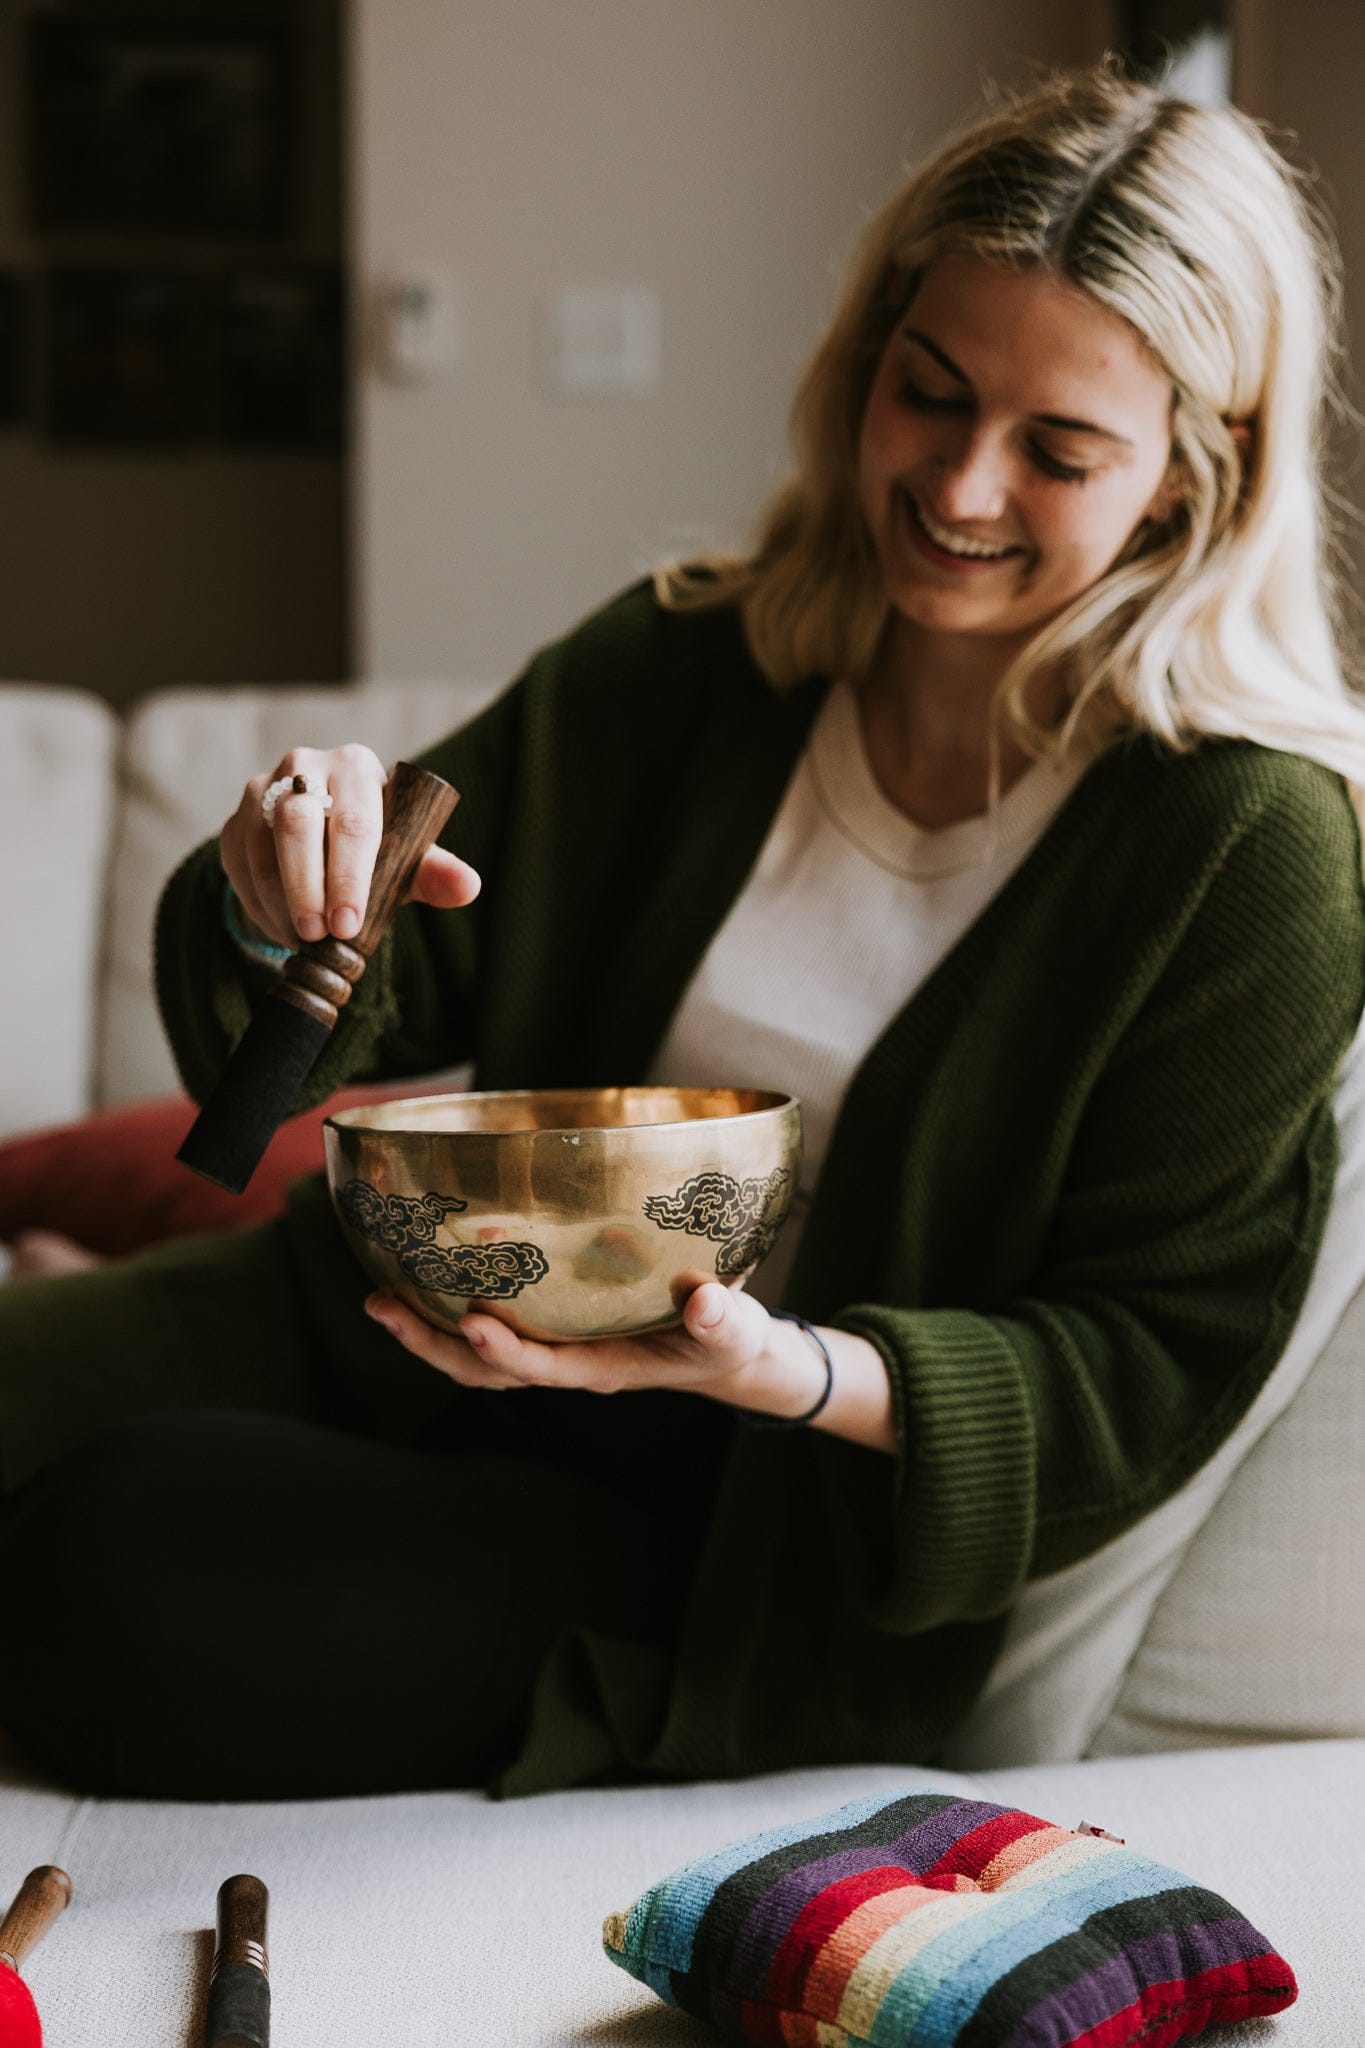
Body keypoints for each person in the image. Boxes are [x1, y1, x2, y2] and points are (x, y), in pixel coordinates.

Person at [3, 61, 1364, 1802]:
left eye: (1056, 450)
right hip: (399, 1320)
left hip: (734, 1529)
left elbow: (1148, 1355)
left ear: (1190, 476)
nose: (956, 486)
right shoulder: (693, 665)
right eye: (925, 394)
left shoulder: (1241, 845)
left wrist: (782, 1367)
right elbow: (382, 965)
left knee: (120, 1568)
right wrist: (291, 892)